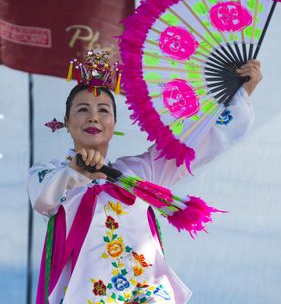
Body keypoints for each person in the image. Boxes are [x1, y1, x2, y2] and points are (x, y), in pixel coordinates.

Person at [27, 51, 262, 303]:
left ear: (114, 122)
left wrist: (242, 94)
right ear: (66, 121)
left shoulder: (140, 172)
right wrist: (77, 170)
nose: (93, 116)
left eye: (103, 110)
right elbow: (44, 199)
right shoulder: (52, 174)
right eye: (82, 109)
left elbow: (199, 144)